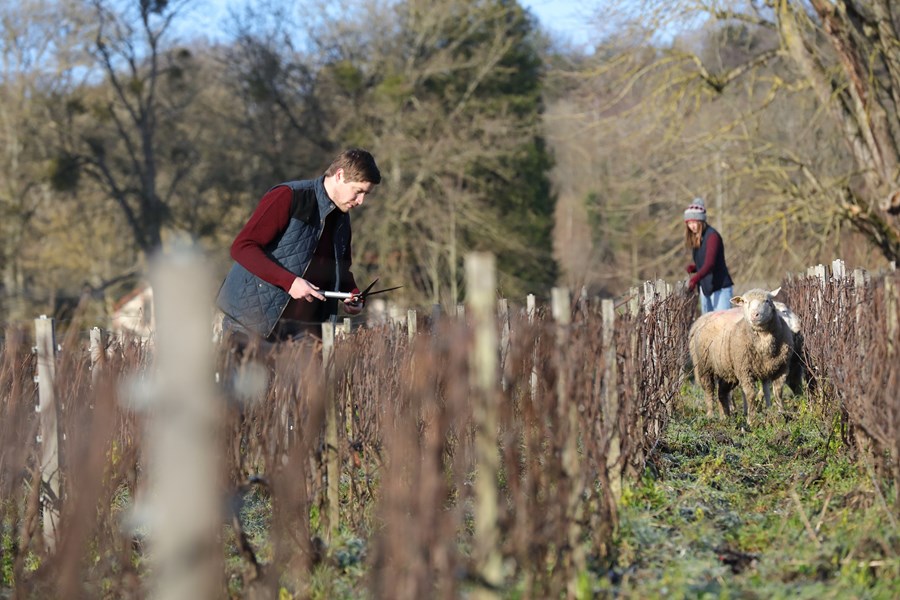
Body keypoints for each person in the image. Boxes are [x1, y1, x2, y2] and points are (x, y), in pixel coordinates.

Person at [216, 148, 381, 346]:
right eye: (359, 191)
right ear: (339, 175)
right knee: (246, 379)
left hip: (305, 333)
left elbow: (340, 269)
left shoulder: (342, 219)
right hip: (252, 323)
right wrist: (290, 282)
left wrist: (351, 293)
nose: (361, 201)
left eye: (366, 194)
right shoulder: (289, 196)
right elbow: (242, 247)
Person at [684, 197, 734, 313]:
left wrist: (695, 279)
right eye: (689, 223)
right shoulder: (697, 238)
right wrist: (695, 267)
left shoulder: (712, 236)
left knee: (722, 326)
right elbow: (705, 262)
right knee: (708, 328)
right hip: (705, 288)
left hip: (720, 288)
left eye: (695, 222)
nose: (692, 226)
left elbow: (710, 264)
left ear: (701, 221)